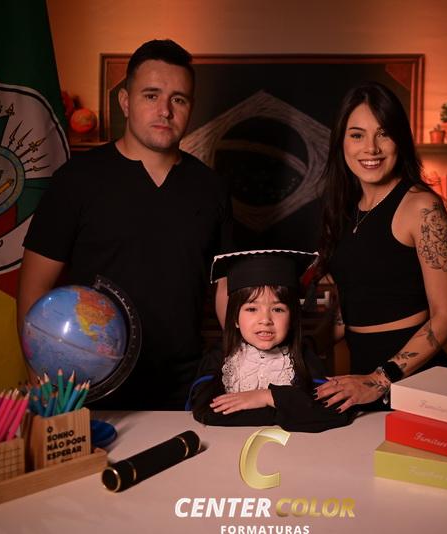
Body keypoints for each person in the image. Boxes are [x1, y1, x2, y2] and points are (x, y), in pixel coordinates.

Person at [18, 39, 232, 409]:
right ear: (126, 101)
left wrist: (246, 363)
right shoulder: (77, 179)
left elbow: (226, 289)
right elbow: (34, 284)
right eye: (151, 95)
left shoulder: (210, 187)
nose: (165, 110)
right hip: (89, 383)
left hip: (185, 385)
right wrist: (40, 374)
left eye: (179, 99)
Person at [314, 81, 447, 413]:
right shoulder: (342, 209)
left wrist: (379, 380)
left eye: (384, 134)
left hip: (416, 381)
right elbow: (346, 310)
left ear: (400, 140)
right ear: (341, 141)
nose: (371, 148)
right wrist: (291, 342)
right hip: (359, 379)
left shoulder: (421, 207)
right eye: (357, 135)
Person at [189, 250, 353, 432]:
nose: (265, 320)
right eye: (252, 309)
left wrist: (267, 397)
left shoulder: (303, 356)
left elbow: (333, 412)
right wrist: (285, 411)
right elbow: (205, 412)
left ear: (292, 318)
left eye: (278, 309)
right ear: (235, 318)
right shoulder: (220, 356)